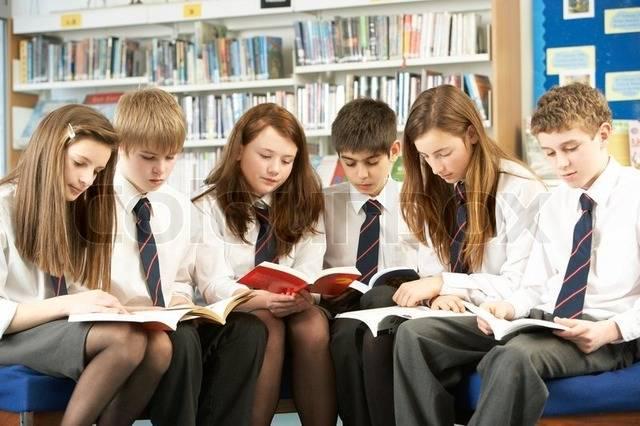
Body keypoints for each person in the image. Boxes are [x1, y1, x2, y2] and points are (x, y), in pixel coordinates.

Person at [394, 83, 640, 426]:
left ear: (603, 135)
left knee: (513, 357)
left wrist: (611, 330)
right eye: (550, 153)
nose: (562, 164)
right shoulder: (558, 202)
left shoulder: (634, 195)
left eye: (571, 148)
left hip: (606, 331)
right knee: (417, 336)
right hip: (546, 318)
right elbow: (536, 284)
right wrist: (508, 308)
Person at [0, 104, 169, 425]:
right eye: (80, 163)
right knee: (125, 342)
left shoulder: (71, 207)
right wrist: (69, 304)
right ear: (50, 151)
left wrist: (125, 310)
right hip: (9, 336)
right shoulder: (3, 207)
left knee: (158, 345)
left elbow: (81, 293)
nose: (86, 180)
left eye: (96, 171)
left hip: (51, 330)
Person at [111, 88, 267, 426]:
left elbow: (212, 277)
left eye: (171, 157)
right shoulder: (94, 203)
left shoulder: (180, 204)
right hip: (125, 325)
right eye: (149, 157)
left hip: (173, 318)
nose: (161, 170)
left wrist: (242, 294)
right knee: (180, 339)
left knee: (248, 330)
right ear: (120, 146)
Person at [191, 102, 336, 426]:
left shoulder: (306, 204)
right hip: (235, 315)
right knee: (265, 322)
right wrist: (258, 299)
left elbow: (310, 270)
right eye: (265, 156)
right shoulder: (206, 205)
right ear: (240, 150)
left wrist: (305, 295)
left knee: (313, 324)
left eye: (287, 161)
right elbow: (213, 283)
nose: (275, 170)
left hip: (290, 306)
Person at [323, 98, 444, 426]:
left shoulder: (418, 202)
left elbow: (435, 268)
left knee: (377, 304)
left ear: (393, 152)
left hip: (398, 306)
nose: (360, 174)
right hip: (342, 308)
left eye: (371, 162)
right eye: (349, 163)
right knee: (345, 333)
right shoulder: (324, 204)